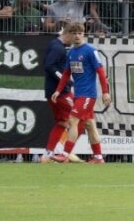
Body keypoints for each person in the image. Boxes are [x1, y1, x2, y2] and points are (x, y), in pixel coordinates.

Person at [49, 21, 110, 163]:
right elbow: (66, 74)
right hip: (78, 94)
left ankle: (64, 154)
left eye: (80, 33)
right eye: (74, 33)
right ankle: (98, 157)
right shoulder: (71, 52)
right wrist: (58, 91)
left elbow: (101, 72)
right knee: (90, 125)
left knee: (72, 120)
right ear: (69, 35)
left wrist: (105, 92)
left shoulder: (90, 50)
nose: (77, 36)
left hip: (88, 95)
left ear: (84, 34)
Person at [41, 22, 76, 161]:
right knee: (78, 120)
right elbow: (49, 66)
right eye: (73, 36)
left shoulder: (54, 44)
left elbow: (47, 64)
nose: (74, 40)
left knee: (62, 122)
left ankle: (47, 154)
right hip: (60, 92)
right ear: (67, 34)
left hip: (52, 91)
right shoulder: (58, 48)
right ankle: (65, 153)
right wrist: (64, 80)